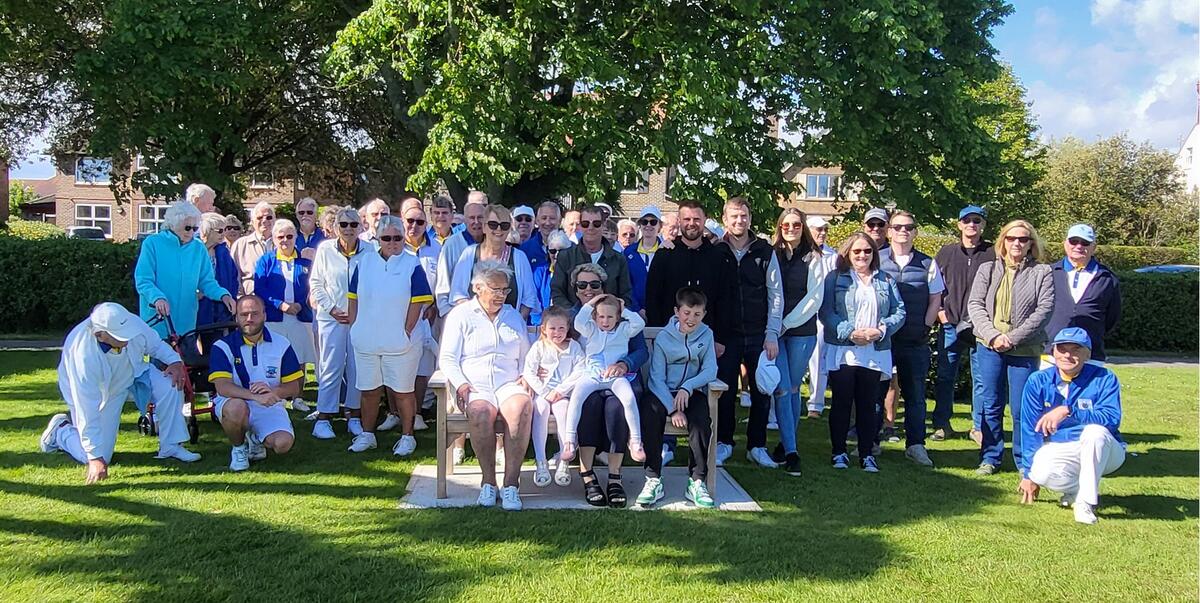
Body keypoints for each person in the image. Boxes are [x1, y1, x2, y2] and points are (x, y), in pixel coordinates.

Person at [39, 303, 200, 483]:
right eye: (120, 336)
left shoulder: (130, 322)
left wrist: (175, 361)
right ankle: (61, 431)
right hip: (105, 392)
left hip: (136, 373)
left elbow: (155, 345)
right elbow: (87, 409)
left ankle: (171, 445)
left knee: (170, 385)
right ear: (100, 335)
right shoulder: (84, 357)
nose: (128, 338)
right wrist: (94, 457)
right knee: (101, 457)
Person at [439, 261, 533, 511]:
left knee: (521, 405)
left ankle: (511, 484)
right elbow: (448, 358)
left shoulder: (512, 315)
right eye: (496, 289)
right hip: (474, 384)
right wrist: (460, 384)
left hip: (508, 381)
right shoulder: (461, 315)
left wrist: (526, 375)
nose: (501, 295)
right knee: (481, 412)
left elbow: (526, 354)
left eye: (505, 290)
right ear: (477, 288)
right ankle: (488, 482)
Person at [968, 219, 1055, 476]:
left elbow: (1044, 310)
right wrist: (993, 336)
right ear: (1002, 241)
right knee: (991, 403)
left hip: (1024, 349)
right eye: (1011, 238)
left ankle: (1024, 460)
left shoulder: (1043, 272)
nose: (1017, 243)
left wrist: (1013, 338)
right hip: (989, 345)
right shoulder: (988, 269)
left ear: (1031, 244)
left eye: (1023, 239)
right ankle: (990, 457)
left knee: (1021, 408)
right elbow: (975, 304)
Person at [1017, 328, 1125, 525]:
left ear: (1088, 354)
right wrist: (1027, 474)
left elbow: (1111, 418)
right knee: (1039, 473)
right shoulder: (1038, 381)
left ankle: (1085, 503)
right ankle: (1076, 490)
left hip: (1106, 449)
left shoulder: (1105, 378)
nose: (1067, 355)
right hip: (1063, 446)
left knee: (1094, 432)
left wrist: (1069, 410)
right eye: (1062, 349)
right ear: (1053, 352)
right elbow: (1030, 428)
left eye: (1076, 349)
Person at [563, 263, 650, 508]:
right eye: (582, 285)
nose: (589, 289)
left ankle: (615, 476)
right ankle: (587, 473)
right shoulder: (573, 317)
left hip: (618, 377)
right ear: (575, 288)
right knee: (588, 402)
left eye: (595, 285)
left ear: (604, 287)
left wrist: (624, 364)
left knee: (616, 406)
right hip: (585, 377)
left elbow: (641, 351)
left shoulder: (621, 316)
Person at [345, 216, 433, 457]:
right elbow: (353, 299)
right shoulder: (362, 263)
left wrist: (406, 330)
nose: (393, 242)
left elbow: (418, 301)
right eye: (387, 238)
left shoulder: (412, 264)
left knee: (403, 391)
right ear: (378, 239)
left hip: (401, 342)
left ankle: (407, 437)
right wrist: (355, 328)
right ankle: (367, 434)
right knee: (369, 390)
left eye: (397, 238)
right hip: (366, 339)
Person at [820, 232, 905, 473]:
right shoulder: (835, 279)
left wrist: (881, 330)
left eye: (867, 251)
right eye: (856, 251)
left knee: (869, 404)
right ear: (847, 253)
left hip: (874, 350)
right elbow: (826, 312)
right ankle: (839, 452)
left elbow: (900, 312)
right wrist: (850, 332)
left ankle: (867, 454)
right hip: (844, 350)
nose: (862, 256)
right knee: (842, 403)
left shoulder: (885, 280)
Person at [714, 196, 783, 468]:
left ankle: (757, 445)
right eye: (734, 216)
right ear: (725, 220)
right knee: (726, 392)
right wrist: (716, 336)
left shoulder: (764, 251)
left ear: (750, 219)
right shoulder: (717, 251)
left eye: (743, 216)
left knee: (761, 391)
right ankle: (724, 443)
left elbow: (775, 294)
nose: (739, 220)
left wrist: (772, 333)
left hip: (759, 333)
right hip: (726, 335)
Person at [637, 287, 719, 508]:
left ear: (704, 314)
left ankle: (697, 481)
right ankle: (653, 478)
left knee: (701, 420)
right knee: (650, 413)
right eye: (686, 313)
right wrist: (673, 409)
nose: (691, 319)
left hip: (690, 392)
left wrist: (688, 387)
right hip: (663, 393)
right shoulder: (664, 338)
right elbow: (655, 378)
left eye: (697, 314)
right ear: (677, 311)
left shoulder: (707, 335)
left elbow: (711, 370)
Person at [208, 295, 303, 471]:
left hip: (268, 403)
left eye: (254, 314)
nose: (249, 319)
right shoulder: (222, 346)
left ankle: (255, 437)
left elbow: (293, 387)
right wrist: (253, 396)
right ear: (236, 317)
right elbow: (222, 387)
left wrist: (274, 393)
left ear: (264, 315)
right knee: (236, 408)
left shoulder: (281, 344)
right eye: (244, 314)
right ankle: (239, 448)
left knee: (283, 444)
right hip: (234, 401)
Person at [877, 210, 941, 467]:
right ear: (889, 231)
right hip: (882, 340)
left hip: (914, 340)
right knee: (875, 392)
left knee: (915, 395)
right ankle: (871, 441)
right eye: (898, 227)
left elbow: (936, 298)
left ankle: (916, 445)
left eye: (909, 227)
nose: (903, 231)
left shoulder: (928, 263)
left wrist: (925, 325)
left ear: (915, 232)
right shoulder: (876, 259)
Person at [770, 208, 826, 475]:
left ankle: (786, 443)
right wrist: (774, 325)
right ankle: (792, 452)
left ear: (802, 227)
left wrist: (786, 323)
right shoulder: (773, 254)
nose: (790, 229)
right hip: (774, 333)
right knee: (781, 388)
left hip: (801, 331)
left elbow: (814, 298)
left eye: (795, 225)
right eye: (785, 225)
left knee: (792, 387)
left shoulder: (813, 257)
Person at [933, 205, 996, 443]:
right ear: (959, 224)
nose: (972, 225)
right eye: (967, 221)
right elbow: (935, 285)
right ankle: (941, 424)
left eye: (977, 221)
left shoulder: (992, 253)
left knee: (982, 378)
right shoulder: (947, 252)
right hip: (950, 323)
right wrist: (940, 312)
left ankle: (979, 427)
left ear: (983, 225)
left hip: (981, 327)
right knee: (945, 376)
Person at [561, 293, 647, 462]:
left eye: (610, 317)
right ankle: (569, 441)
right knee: (577, 397)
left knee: (628, 398)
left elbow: (639, 323)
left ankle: (636, 441)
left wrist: (624, 310)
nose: (605, 321)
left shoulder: (623, 330)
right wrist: (591, 303)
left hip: (614, 376)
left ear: (618, 317)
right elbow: (578, 322)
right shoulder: (590, 328)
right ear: (595, 316)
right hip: (592, 374)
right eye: (601, 316)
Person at [135, 201, 236, 338]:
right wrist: (157, 298)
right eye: (187, 228)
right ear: (173, 224)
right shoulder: (152, 243)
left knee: (187, 359)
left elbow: (207, 281)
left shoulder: (198, 248)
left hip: (187, 326)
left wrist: (223, 295)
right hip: (157, 324)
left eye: (195, 229)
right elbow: (143, 280)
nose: (191, 233)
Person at [308, 207, 368, 440]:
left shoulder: (370, 251)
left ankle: (353, 415)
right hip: (330, 319)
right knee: (330, 367)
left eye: (353, 224)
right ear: (335, 228)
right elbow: (317, 284)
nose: (349, 229)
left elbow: (371, 284)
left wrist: (356, 312)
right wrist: (332, 309)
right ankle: (324, 417)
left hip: (359, 320)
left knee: (356, 368)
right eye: (344, 224)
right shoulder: (324, 250)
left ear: (361, 227)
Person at [643, 200, 733, 334]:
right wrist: (659, 333)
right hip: (670, 336)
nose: (691, 223)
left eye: (696, 219)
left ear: (704, 220)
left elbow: (725, 300)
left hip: (708, 338)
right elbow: (653, 298)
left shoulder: (718, 257)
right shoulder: (665, 255)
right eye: (687, 219)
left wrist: (720, 338)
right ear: (679, 221)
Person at [522, 306, 585, 487]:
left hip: (563, 394)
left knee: (564, 411)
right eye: (552, 328)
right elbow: (529, 372)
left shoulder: (574, 347)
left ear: (568, 328)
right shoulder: (539, 347)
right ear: (543, 329)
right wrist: (544, 391)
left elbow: (579, 370)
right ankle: (541, 461)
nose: (557, 333)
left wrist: (561, 391)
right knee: (540, 409)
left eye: (561, 328)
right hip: (543, 393)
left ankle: (564, 459)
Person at [1044, 224, 1121, 365]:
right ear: (1065, 244)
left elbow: (1112, 317)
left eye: (1085, 243)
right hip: (1050, 354)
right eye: (1074, 241)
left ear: (1094, 247)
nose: (1078, 246)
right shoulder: (1048, 273)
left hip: (1091, 355)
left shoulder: (1107, 278)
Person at [448, 204, 540, 320]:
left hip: (509, 328)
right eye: (493, 225)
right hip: (474, 327)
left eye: (504, 226)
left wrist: (517, 322)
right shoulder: (469, 254)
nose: (498, 229)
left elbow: (529, 299)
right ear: (484, 227)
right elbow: (458, 294)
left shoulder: (519, 257)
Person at [253, 219, 316, 379]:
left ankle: (298, 397)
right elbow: (260, 288)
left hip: (300, 317)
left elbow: (312, 288)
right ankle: (276, 395)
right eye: (280, 237)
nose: (285, 240)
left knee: (299, 357)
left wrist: (300, 305)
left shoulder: (305, 262)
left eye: (289, 236)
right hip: (274, 317)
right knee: (273, 357)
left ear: (295, 237)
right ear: (274, 239)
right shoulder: (266, 261)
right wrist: (280, 305)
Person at [402, 203, 441, 430]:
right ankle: (396, 413)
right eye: (410, 221)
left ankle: (417, 414)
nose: (414, 226)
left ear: (426, 225)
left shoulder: (436, 248)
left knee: (422, 368)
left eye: (419, 222)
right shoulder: (395, 247)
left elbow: (441, 281)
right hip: (399, 315)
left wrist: (434, 305)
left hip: (426, 316)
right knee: (399, 364)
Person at [550, 205, 633, 309]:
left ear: (603, 225)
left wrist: (610, 315)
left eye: (596, 223)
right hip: (572, 321)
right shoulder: (565, 257)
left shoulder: (618, 259)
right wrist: (574, 316)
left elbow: (626, 295)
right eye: (585, 224)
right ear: (580, 226)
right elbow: (557, 292)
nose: (590, 227)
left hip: (607, 322)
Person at [804, 215, 839, 419]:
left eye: (825, 229)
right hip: (801, 313)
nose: (823, 233)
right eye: (818, 229)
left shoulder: (832, 256)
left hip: (821, 314)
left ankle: (815, 404)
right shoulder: (801, 253)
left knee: (819, 359)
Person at [435, 198, 486, 317]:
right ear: (465, 220)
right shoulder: (452, 244)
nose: (476, 222)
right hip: (457, 312)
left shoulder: (491, 243)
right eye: (472, 218)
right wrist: (449, 314)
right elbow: (443, 283)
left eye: (480, 217)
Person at [196, 212, 240, 329]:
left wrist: (230, 297)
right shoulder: (193, 251)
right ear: (208, 230)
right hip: (195, 309)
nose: (224, 234)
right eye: (220, 231)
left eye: (224, 230)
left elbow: (233, 278)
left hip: (219, 311)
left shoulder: (223, 252)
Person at [621, 207, 662, 315]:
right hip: (634, 311)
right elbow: (626, 284)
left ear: (659, 226)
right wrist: (637, 309)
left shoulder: (666, 251)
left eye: (653, 222)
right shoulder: (629, 252)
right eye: (644, 222)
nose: (648, 225)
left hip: (660, 311)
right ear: (640, 225)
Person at [229, 201, 276, 294]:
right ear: (252, 221)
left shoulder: (284, 243)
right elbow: (233, 276)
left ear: (275, 220)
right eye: (259, 218)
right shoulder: (240, 245)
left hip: (279, 300)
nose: (264, 221)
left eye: (269, 217)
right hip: (251, 299)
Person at [529, 230, 573, 326]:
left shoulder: (575, 273)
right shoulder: (540, 272)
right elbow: (533, 302)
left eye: (561, 251)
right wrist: (542, 324)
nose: (556, 255)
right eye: (552, 251)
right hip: (543, 325)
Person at [520, 200, 565, 275]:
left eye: (552, 218)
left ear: (560, 221)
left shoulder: (571, 249)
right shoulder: (524, 250)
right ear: (537, 221)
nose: (548, 223)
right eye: (544, 218)